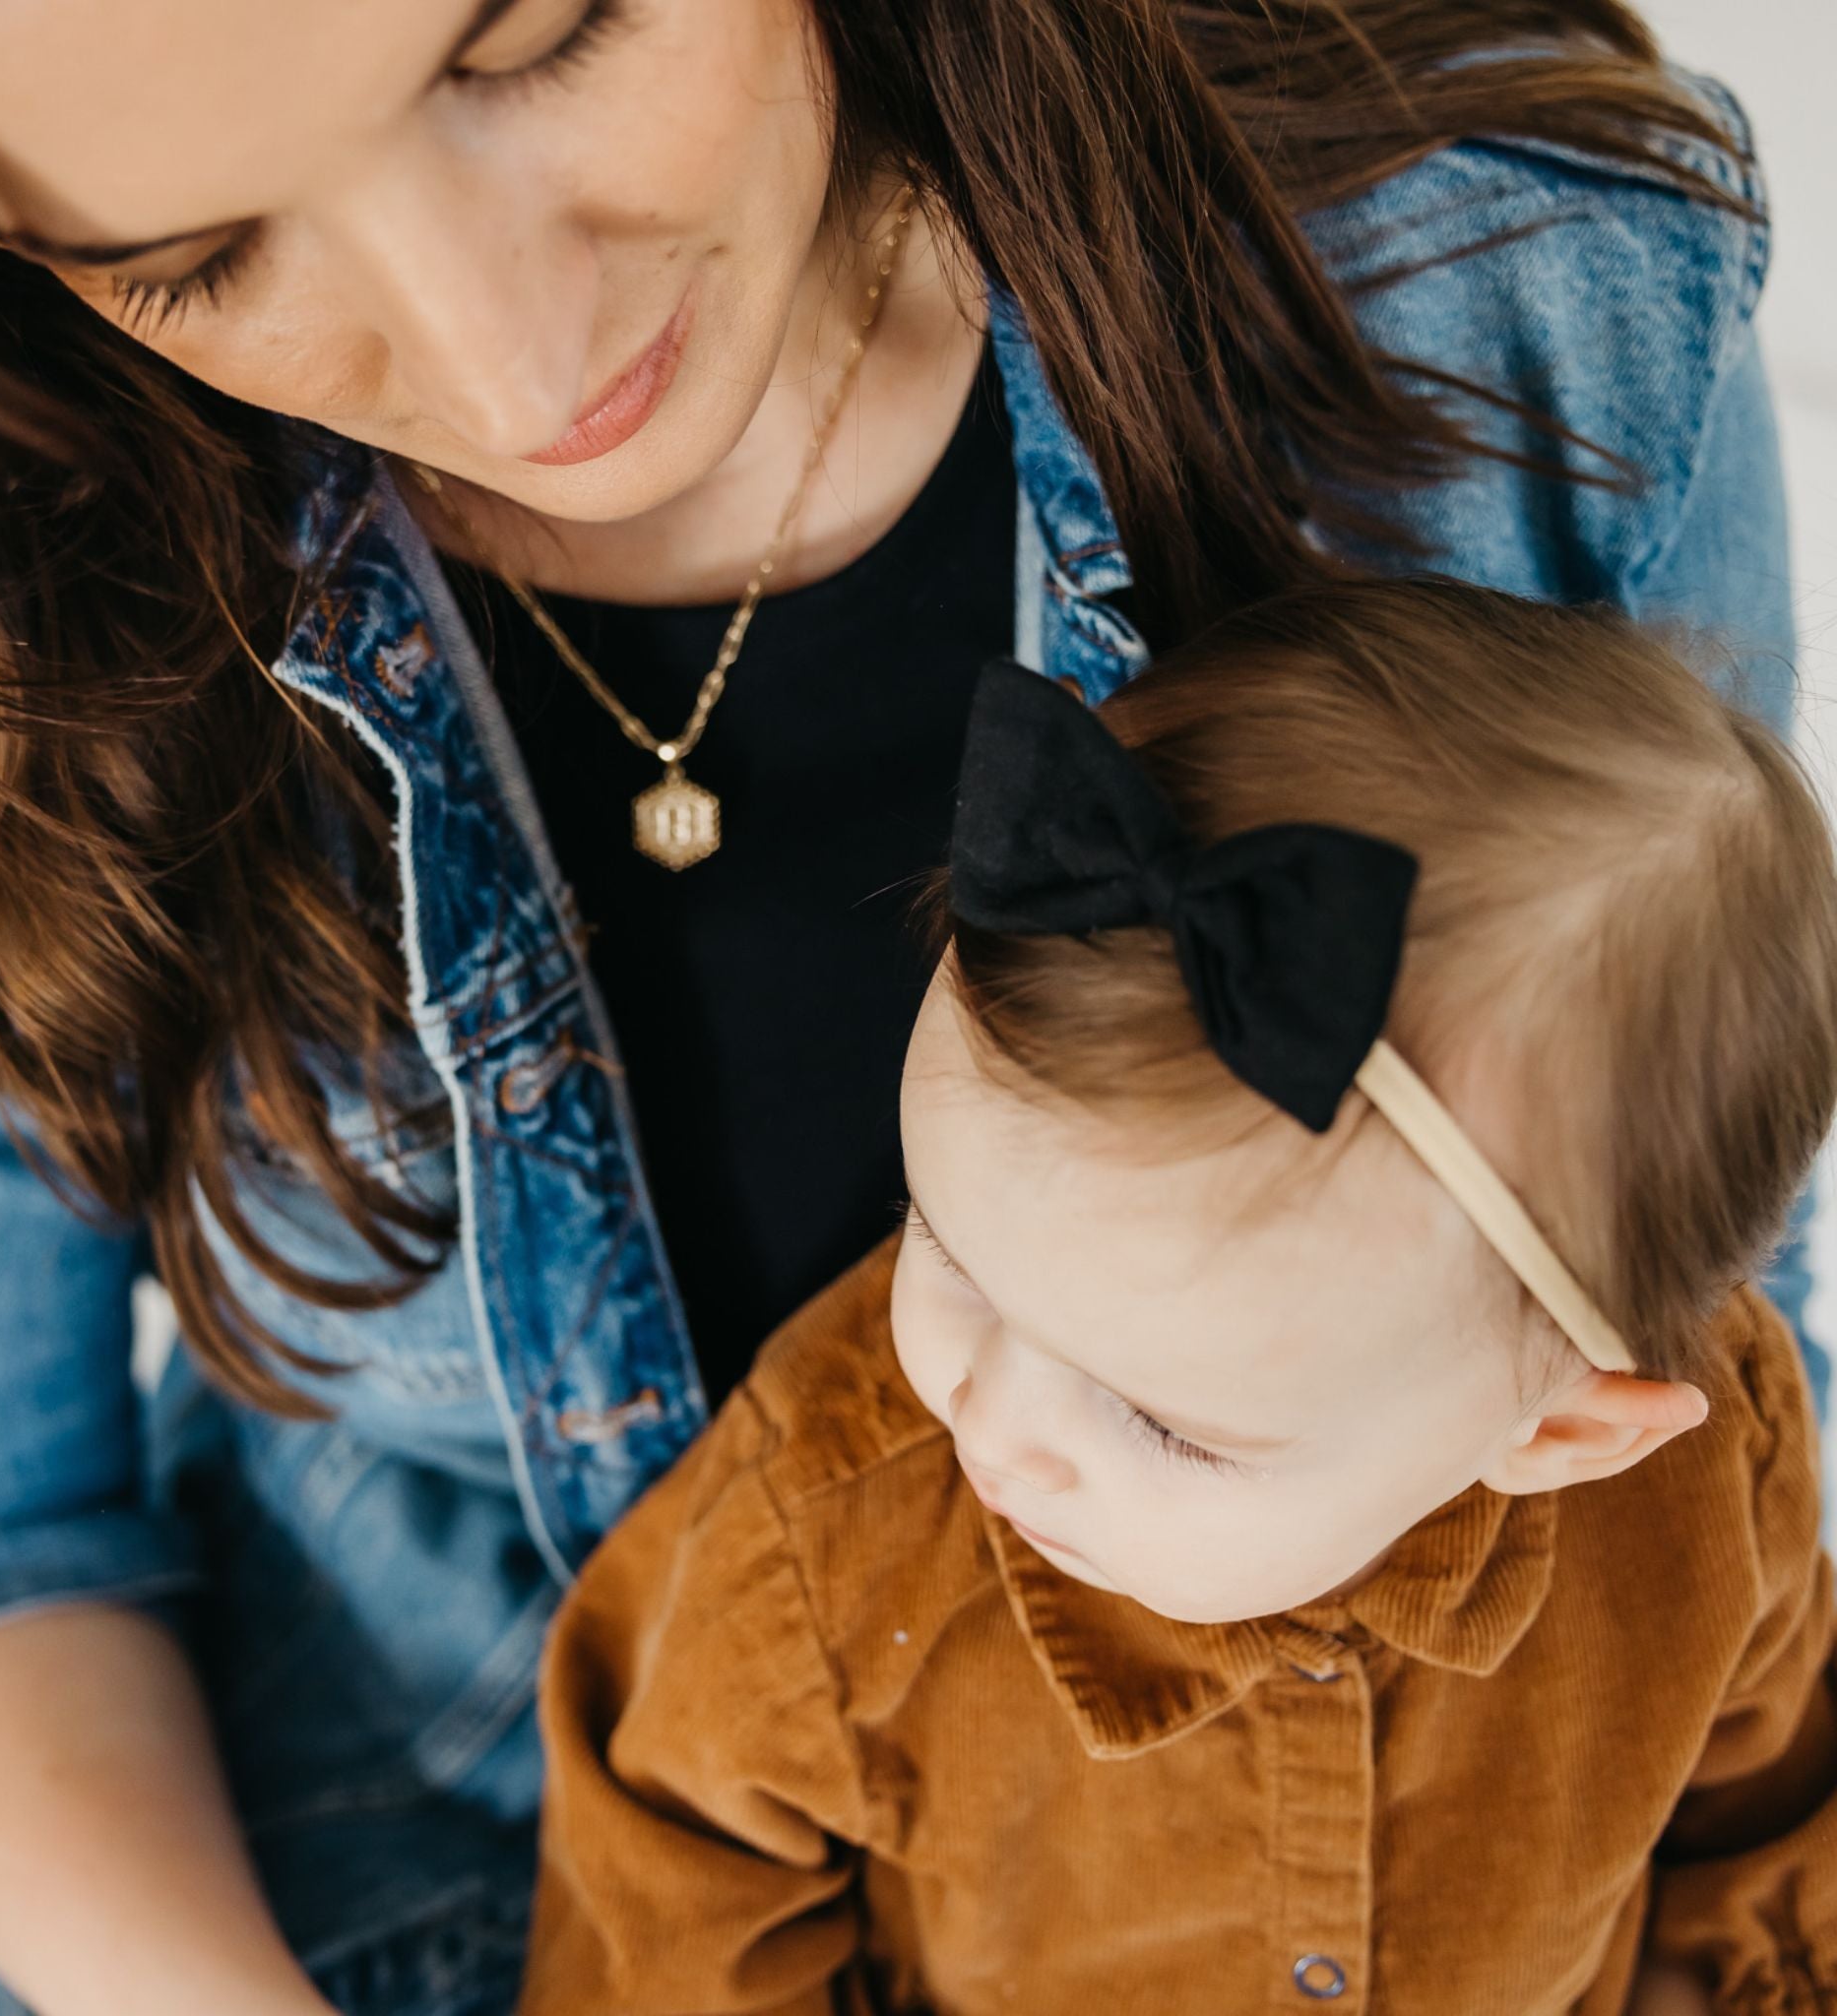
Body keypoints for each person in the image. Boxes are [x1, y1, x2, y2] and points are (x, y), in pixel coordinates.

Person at [0, 2, 1807, 2012]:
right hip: (404, 1873)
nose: (523, 370)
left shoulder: (1507, 269)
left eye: (541, 34)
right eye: (190, 254)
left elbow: (1670, 1281)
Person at [521, 579, 1837, 2016]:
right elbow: (666, 1895)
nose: (988, 1422)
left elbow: (1766, 1812)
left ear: (1566, 1432)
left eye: (1166, 1423)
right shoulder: (836, 1519)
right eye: (946, 1245)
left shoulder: (1715, 1491)